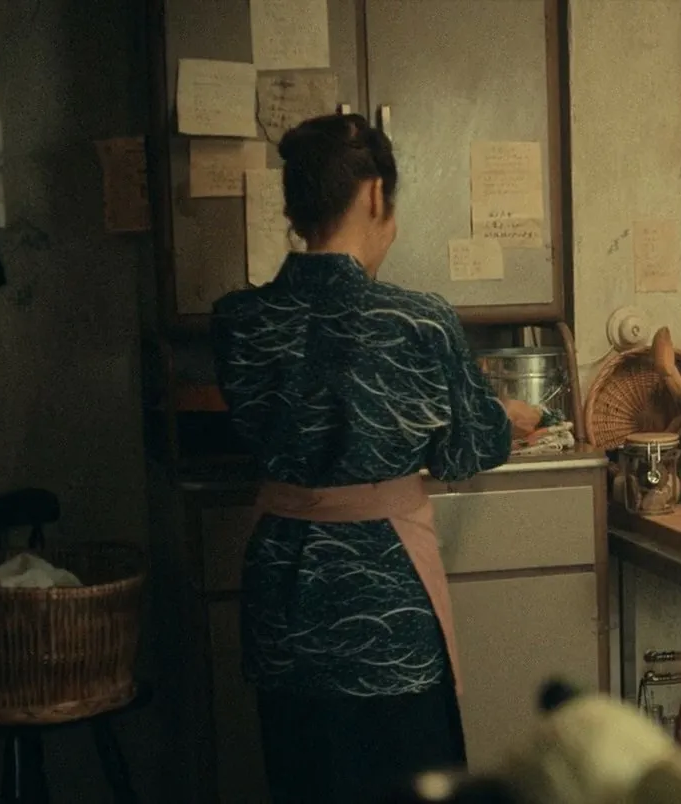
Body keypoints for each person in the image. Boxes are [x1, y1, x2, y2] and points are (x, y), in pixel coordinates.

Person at [211, 113, 544, 803]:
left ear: (295, 207)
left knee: (303, 786)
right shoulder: (417, 320)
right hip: (385, 603)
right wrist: (501, 417)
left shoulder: (237, 321)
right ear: (372, 195)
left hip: (282, 596)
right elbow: (468, 449)